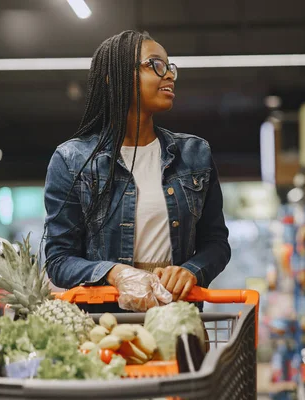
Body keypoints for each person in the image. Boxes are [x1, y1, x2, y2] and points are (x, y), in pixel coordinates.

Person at [43, 30, 231, 312]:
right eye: (155, 65)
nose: (168, 75)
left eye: (169, 67)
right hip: (104, 326)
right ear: (114, 77)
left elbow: (216, 243)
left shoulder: (194, 154)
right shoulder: (72, 160)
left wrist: (191, 270)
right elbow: (58, 260)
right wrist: (116, 273)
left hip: (176, 317)